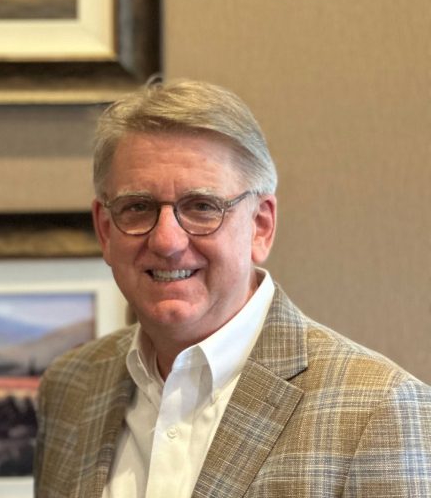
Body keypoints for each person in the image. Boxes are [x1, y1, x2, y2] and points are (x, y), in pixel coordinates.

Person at [34, 79, 431, 497]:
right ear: (105, 230)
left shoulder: (379, 410)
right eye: (137, 207)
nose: (167, 241)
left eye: (202, 207)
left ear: (261, 225)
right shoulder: (70, 389)